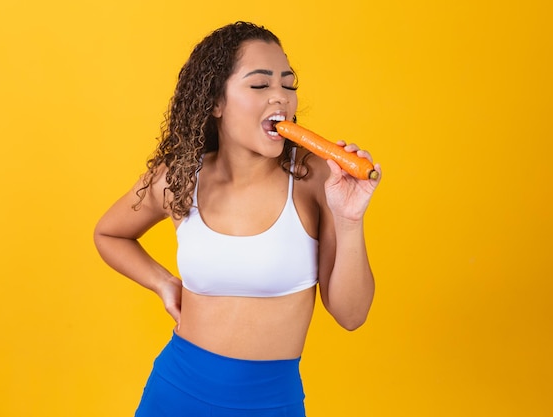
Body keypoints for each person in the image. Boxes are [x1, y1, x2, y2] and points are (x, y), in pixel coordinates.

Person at [93, 21, 381, 417]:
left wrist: (350, 220)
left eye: (288, 84)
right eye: (260, 85)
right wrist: (163, 283)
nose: (280, 97)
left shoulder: (315, 178)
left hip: (272, 404)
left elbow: (352, 315)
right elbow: (109, 234)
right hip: (175, 393)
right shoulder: (179, 177)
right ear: (217, 102)